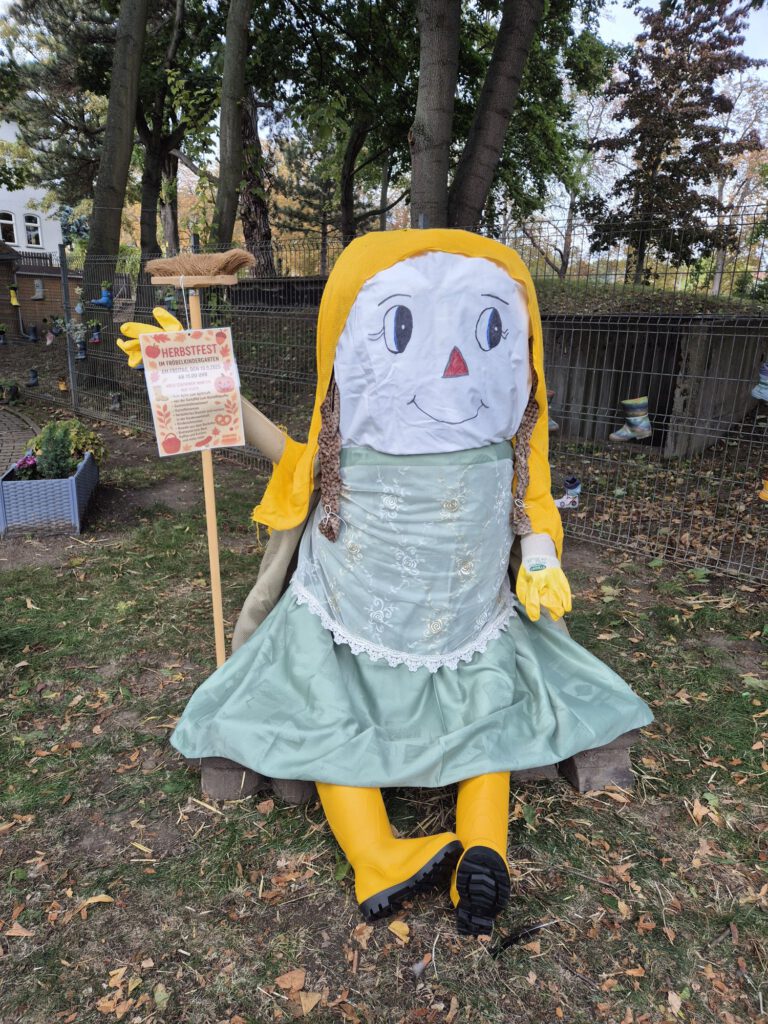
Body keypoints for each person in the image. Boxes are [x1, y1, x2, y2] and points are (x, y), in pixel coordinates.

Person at [159, 230, 653, 935]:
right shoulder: (437, 452)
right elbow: (527, 497)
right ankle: (481, 846)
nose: (453, 364)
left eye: (488, 332)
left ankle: (377, 856)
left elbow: (299, 460)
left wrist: (541, 555)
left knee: (324, 705)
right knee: (487, 706)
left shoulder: (467, 454)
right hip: (440, 622)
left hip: (377, 618)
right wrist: (196, 374)